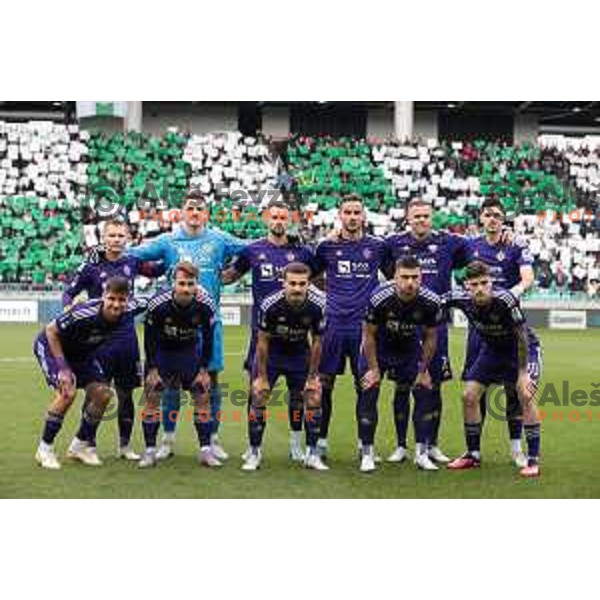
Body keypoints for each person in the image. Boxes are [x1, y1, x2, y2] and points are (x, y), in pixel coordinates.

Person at [129, 192, 245, 461]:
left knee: (210, 381)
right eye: (190, 208)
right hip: (173, 327)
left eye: (200, 209)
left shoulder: (219, 239)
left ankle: (212, 440)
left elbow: (251, 249)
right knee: (168, 384)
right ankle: (168, 440)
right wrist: (111, 250)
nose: (194, 213)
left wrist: (235, 273)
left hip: (208, 324)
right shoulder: (168, 241)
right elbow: (135, 254)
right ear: (181, 212)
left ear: (206, 213)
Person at [62, 219, 164, 460]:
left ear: (127, 238)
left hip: (127, 338)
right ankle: (89, 444)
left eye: (121, 235)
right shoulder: (91, 266)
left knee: (127, 393)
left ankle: (125, 446)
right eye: (112, 235)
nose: (117, 239)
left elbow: (156, 270)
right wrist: (67, 308)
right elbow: (69, 291)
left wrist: (177, 257)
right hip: (99, 340)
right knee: (96, 392)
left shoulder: (133, 261)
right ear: (104, 238)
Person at [221, 201, 316, 460]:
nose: (278, 221)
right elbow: (230, 276)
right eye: (274, 216)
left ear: (290, 220)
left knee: (298, 397)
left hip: (297, 337)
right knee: (257, 393)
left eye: (283, 217)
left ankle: (296, 443)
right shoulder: (253, 251)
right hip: (263, 336)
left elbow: (317, 280)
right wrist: (207, 269)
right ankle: (253, 447)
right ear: (266, 219)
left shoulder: (303, 253)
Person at [384, 198, 472, 464]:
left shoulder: (449, 242)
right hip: (404, 327)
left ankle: (432, 444)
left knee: (433, 387)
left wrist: (506, 233)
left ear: (431, 218)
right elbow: (381, 263)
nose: (421, 220)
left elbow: (476, 248)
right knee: (402, 385)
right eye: (416, 216)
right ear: (407, 218)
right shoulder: (393, 243)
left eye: (425, 216)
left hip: (436, 325)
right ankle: (401, 445)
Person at [33, 277, 148, 469]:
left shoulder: (132, 308)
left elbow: (158, 299)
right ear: (103, 296)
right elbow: (51, 331)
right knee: (67, 392)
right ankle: (44, 449)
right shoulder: (84, 312)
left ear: (128, 300)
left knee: (103, 396)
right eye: (111, 298)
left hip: (82, 354)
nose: (116, 304)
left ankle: (79, 446)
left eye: (122, 300)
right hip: (53, 348)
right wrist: (62, 368)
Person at [445, 261, 542, 478]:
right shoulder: (459, 298)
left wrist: (524, 373)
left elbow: (522, 337)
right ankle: (473, 454)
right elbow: (434, 302)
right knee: (469, 396)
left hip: (522, 350)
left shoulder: (505, 300)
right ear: (466, 286)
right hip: (492, 351)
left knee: (525, 394)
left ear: (491, 282)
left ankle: (533, 459)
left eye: (484, 283)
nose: (480, 288)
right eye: (474, 284)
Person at [312, 194, 390, 461]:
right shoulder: (326, 247)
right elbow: (308, 274)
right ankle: (320, 442)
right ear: (340, 216)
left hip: (364, 327)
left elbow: (394, 277)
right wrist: (329, 295)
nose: (353, 217)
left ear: (364, 217)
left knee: (365, 385)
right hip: (333, 323)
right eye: (348, 212)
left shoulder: (377, 247)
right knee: (325, 383)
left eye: (357, 212)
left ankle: (364, 444)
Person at [357, 256, 443, 472]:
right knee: (369, 390)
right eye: (404, 277)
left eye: (415, 277)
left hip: (408, 348)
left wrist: (423, 370)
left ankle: (421, 453)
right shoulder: (379, 297)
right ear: (395, 277)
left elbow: (431, 337)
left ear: (421, 277)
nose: (410, 283)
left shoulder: (431, 301)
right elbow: (368, 335)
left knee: (423, 390)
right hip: (378, 348)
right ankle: (367, 453)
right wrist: (375, 370)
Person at [467, 197, 535, 468]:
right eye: (487, 214)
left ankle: (516, 448)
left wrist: (510, 294)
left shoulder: (516, 244)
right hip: (480, 327)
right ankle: (474, 451)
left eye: (497, 214)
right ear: (481, 218)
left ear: (504, 219)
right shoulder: (470, 245)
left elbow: (527, 278)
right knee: (475, 390)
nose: (492, 218)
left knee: (512, 390)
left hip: (508, 325)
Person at [242, 262, 327, 471]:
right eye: (292, 283)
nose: (297, 288)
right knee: (258, 396)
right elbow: (261, 341)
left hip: (300, 355)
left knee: (313, 397)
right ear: (284, 283)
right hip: (272, 356)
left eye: (302, 284)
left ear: (309, 284)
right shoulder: (269, 304)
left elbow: (317, 342)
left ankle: (311, 453)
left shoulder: (318, 305)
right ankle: (254, 452)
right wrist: (261, 376)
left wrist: (313, 376)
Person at [138, 262, 219, 469]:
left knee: (202, 395)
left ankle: (205, 451)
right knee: (153, 396)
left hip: (188, 352)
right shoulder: (157, 304)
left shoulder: (206, 304)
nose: (185, 288)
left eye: (190, 284)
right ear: (173, 283)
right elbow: (149, 339)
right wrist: (153, 370)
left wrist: (203, 370)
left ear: (196, 284)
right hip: (162, 353)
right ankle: (149, 451)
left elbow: (209, 339)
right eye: (181, 283)